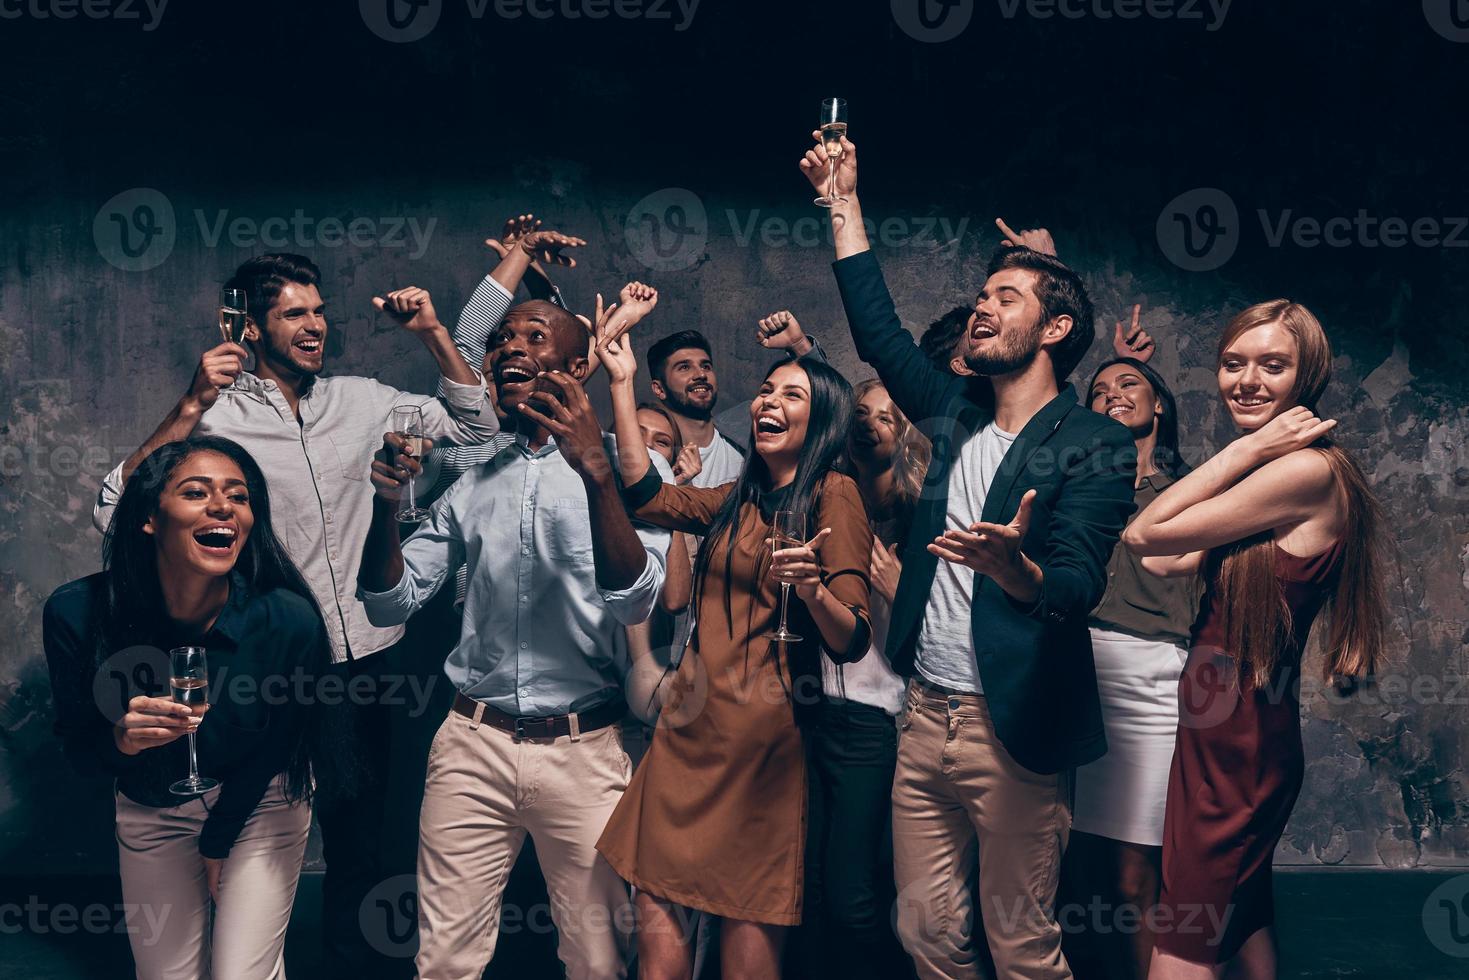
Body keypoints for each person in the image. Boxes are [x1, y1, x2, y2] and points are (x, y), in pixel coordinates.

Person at [89, 253, 498, 975]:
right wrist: (187, 407)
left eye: (318, 311)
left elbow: (477, 434)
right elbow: (117, 512)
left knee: (358, 840)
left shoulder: (366, 399)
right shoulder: (216, 415)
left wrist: (434, 333)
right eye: (293, 314)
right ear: (250, 326)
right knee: (236, 822)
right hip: (259, 659)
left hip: (366, 660)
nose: (315, 326)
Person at [802, 131, 1136, 979]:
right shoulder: (954, 413)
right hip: (924, 716)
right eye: (981, 294)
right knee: (924, 934)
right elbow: (877, 331)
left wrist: (1014, 570)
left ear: (1055, 327)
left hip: (1010, 731)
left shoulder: (1094, 442)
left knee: (1020, 946)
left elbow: (1076, 583)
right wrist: (843, 202)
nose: (982, 307)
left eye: (1007, 297)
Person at [357, 290, 672, 980]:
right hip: (473, 746)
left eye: (532, 337)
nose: (508, 351)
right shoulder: (471, 480)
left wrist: (593, 469)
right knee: (443, 964)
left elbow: (636, 600)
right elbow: (388, 603)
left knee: (597, 961)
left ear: (577, 362)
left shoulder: (631, 469)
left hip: (585, 752)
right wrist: (385, 509)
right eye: (500, 341)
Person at [594, 320, 873, 980]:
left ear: (823, 420)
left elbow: (852, 639)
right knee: (654, 901)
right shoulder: (734, 500)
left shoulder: (835, 494)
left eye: (791, 395)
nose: (766, 402)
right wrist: (622, 380)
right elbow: (644, 494)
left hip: (762, 749)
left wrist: (810, 592)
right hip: (687, 736)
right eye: (766, 390)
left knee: (747, 917)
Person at [1122, 299, 1386, 979]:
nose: (1246, 380)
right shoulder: (1275, 472)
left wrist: (1245, 448)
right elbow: (1162, 559)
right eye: (1232, 363)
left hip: (1237, 746)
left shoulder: (1301, 471)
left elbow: (1142, 534)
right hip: (1225, 736)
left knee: (1181, 951)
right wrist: (1249, 454)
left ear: (1307, 377)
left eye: (1272, 365)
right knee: (1240, 925)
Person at [46, 436, 341, 980]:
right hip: (151, 808)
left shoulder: (286, 620)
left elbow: (279, 745)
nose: (223, 507)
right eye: (196, 492)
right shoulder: (78, 612)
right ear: (150, 519)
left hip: (258, 805)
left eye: (239, 496)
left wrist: (219, 836)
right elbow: (78, 752)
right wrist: (121, 739)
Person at [1062, 328, 1197, 980]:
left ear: (1160, 405)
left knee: (1129, 870)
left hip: (1149, 677)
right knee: (1062, 861)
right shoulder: (1076, 487)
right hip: (1065, 668)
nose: (1111, 395)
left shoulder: (1195, 487)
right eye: (1098, 390)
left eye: (1128, 386)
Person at [792, 377, 930, 980]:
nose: (870, 422)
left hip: (875, 722)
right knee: (808, 890)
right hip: (806, 712)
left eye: (888, 415)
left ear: (906, 436)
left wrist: (900, 594)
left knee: (854, 896)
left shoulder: (923, 525)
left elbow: (948, 647)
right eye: (861, 413)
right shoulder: (821, 507)